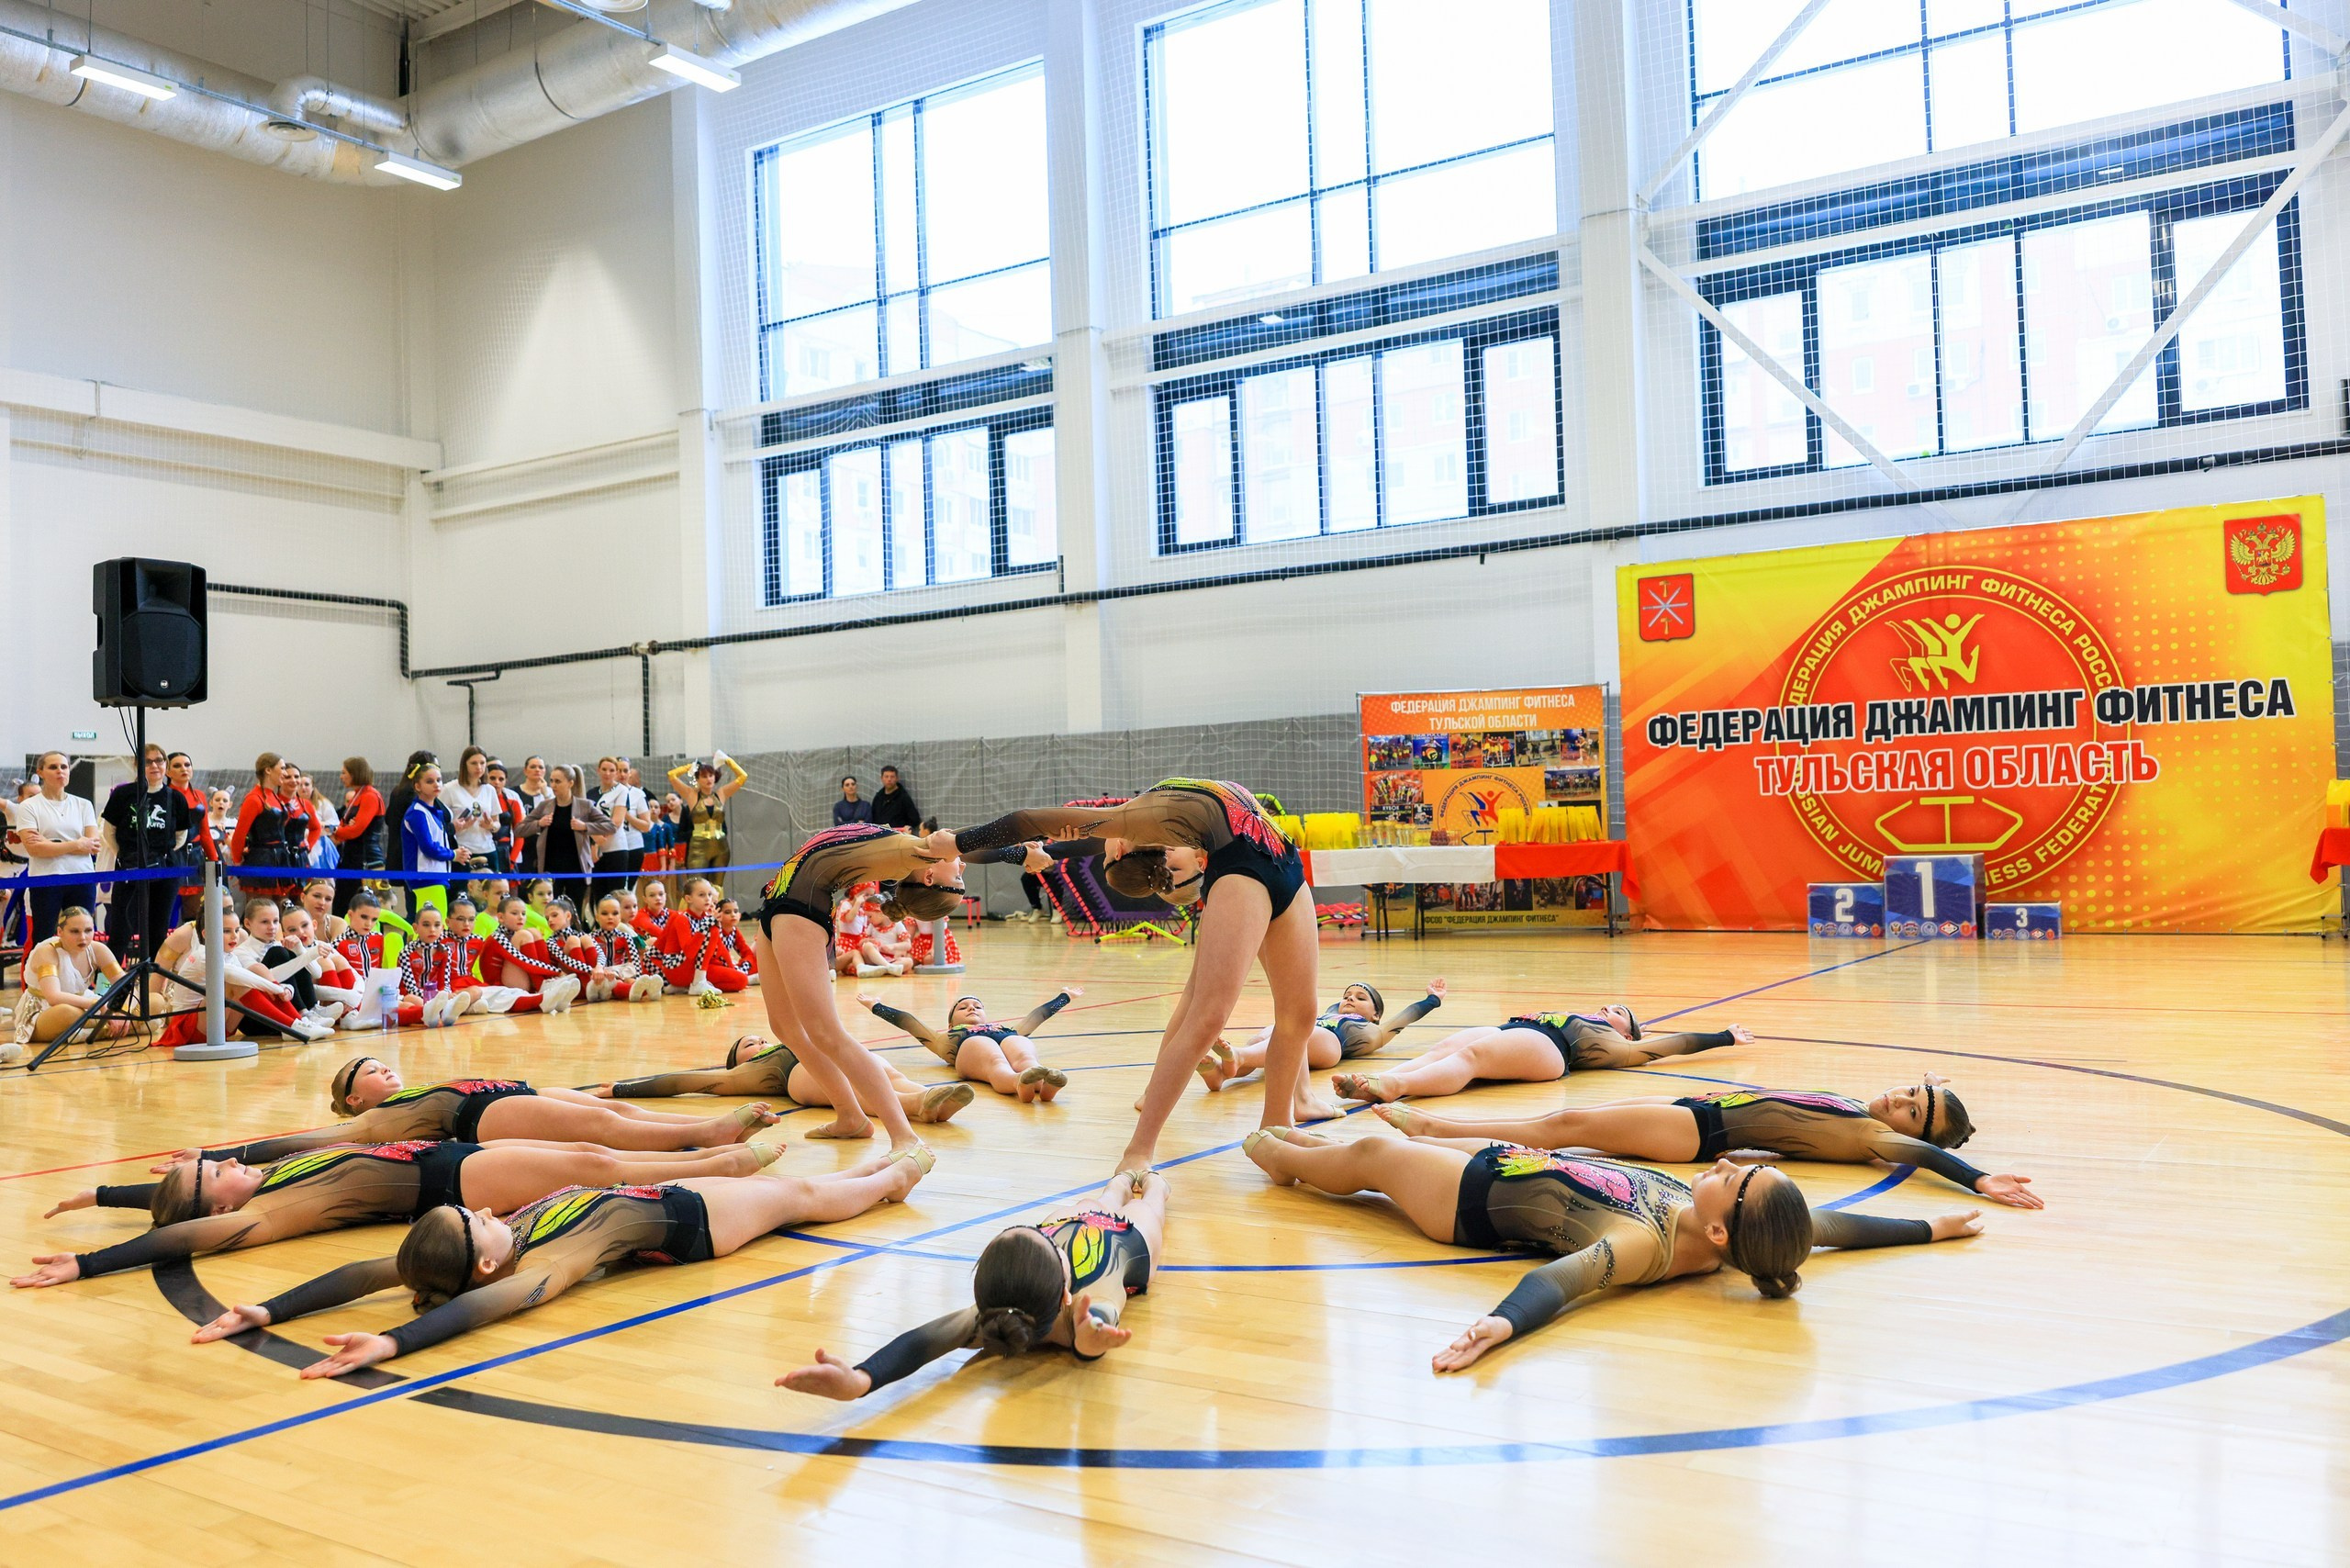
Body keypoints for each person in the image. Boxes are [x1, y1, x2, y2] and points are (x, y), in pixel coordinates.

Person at [1242, 1127, 1981, 1371]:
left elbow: (1563, 1281)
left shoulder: (1646, 1243)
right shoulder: (1767, 1236)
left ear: (1722, 1231)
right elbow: (1838, 1227)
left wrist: (1499, 1325)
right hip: (1523, 1160)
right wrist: (1932, 1228)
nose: (1727, 1165)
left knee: (1376, 1152)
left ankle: (1280, 1156)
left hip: (1471, 1196)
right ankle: (1305, 1144)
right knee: (1407, 1140)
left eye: (1737, 1179)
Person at [208, 1154, 928, 1382]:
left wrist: (271, 1310)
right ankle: (891, 1180)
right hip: (693, 1226)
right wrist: (394, 1343)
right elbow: (480, 1309)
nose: (486, 1210)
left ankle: (871, 1175)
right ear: (485, 1260)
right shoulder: (544, 1264)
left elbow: (368, 1273)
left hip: (657, 1197)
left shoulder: (490, 1249)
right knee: (795, 1196)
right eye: (475, 1221)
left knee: (799, 1190)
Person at [929, 780, 1317, 1177]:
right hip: (1245, 871)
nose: (1103, 850)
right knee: (1206, 1017)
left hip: (1284, 863)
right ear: (1122, 851)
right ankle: (1139, 1151)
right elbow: (1028, 824)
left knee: (1301, 1014)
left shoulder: (1134, 822)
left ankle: (1276, 1128)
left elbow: (1042, 831)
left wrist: (986, 847)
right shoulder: (1133, 823)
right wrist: (958, 845)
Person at [16, 1139, 776, 1291]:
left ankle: (713, 1159)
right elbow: (180, 1230)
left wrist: (103, 1196)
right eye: (218, 1175)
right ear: (215, 1206)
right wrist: (87, 1263)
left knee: (588, 1153)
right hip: (446, 1176)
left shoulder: (266, 1177)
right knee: (595, 1168)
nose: (232, 1166)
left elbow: (171, 1201)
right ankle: (716, 1165)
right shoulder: (271, 1210)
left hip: (439, 1154)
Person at [747, 823, 1024, 1151]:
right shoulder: (915, 849)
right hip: (777, 903)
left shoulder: (910, 855)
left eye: (959, 873)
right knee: (785, 1027)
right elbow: (962, 841)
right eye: (961, 870)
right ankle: (850, 1116)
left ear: (930, 876)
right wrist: (1019, 853)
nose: (962, 863)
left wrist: (1018, 853)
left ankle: (904, 1136)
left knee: (826, 1033)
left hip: (800, 909)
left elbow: (968, 843)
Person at [779, 1167, 1166, 1401]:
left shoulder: (994, 1311)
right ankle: (1153, 1183)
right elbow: (1093, 1329)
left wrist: (863, 1377)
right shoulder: (1090, 1304)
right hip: (1125, 1243)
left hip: (1068, 1224)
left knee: (1091, 1201)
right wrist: (1088, 1344)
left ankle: (1119, 1180)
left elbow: (920, 1342)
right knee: (1146, 1208)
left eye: (1035, 1231)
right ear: (1067, 1293)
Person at [1372, 1075, 2043, 1208]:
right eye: (1910, 1091)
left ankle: (1435, 1130)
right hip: (1694, 1112)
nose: (1898, 1102)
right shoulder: (1854, 1105)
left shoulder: (1873, 1136)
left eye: (1912, 1111)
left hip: (1697, 1132)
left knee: (1564, 1131)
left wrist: (1977, 1177)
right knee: (1567, 1126)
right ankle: (1440, 1134)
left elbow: (1925, 1156)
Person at [185, 1054, 779, 1164]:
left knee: (632, 1120)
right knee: (604, 1127)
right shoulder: (370, 1121)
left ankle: (704, 1131)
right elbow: (306, 1144)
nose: (380, 1068)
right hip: (484, 1117)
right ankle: (716, 1133)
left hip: (509, 1090)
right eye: (367, 1072)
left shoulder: (410, 1089)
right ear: (353, 1098)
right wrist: (224, 1154)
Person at [1332, 1007, 1754, 1104]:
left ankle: (1394, 1088)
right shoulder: (1580, 1016)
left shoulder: (1613, 1044)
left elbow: (1672, 1044)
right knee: (1446, 1047)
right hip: (1521, 1033)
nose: (1611, 1008)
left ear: (1628, 1031)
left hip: (1551, 1051)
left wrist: (1724, 1036)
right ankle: (1377, 1082)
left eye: (1620, 1012)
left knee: (1475, 1055)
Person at [590, 1033, 975, 1126]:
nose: (756, 1042)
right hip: (799, 1077)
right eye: (745, 1045)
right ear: (734, 1063)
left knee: (883, 1069)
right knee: (851, 1085)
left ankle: (928, 1096)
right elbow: (683, 1082)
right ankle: (915, 1106)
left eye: (757, 1037)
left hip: (829, 1053)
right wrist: (623, 1088)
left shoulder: (791, 1036)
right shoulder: (746, 1073)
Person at [1200, 980, 1448, 1121]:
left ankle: (1239, 1055)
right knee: (1265, 1034)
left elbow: (1407, 1016)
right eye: (1347, 995)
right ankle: (1221, 1073)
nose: (1350, 999)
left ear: (1376, 1014)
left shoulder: (1374, 1031)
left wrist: (1433, 999)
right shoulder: (1328, 1013)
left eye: (1361, 998)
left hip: (1330, 1045)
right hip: (1300, 1036)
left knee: (1297, 1034)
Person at [859, 987, 1081, 1102]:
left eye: (977, 1006)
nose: (972, 1008)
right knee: (994, 1059)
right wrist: (876, 1006)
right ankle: (1017, 1082)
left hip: (1005, 1039)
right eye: (963, 1007)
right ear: (950, 1022)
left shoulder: (1004, 1029)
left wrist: (1065, 996)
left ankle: (1044, 1085)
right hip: (969, 1047)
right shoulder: (945, 1038)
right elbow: (908, 1022)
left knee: (1023, 1052)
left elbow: (1037, 1016)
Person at [98, 744, 192, 964]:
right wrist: (125, 855)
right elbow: (108, 832)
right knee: (120, 930)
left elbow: (181, 836)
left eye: (159, 760)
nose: (154, 766)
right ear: (138, 765)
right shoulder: (123, 794)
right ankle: (106, 988)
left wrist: (158, 857)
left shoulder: (175, 798)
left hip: (165, 872)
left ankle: (153, 987)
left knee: (158, 931)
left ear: (165, 765)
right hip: (129, 870)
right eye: (147, 761)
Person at [9, 907, 133, 1058]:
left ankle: (86, 1032)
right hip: (45, 1011)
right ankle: (109, 1028)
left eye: (88, 930)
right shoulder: (47, 951)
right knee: (68, 1012)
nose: (83, 937)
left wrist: (122, 1010)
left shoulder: (98, 949)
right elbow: (54, 998)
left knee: (155, 1003)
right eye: (75, 931)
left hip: (87, 1006)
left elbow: (125, 984)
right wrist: (102, 1008)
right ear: (60, 932)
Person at [14, 752, 102, 947]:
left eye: (64, 767)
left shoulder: (83, 804)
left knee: (83, 937)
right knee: (44, 938)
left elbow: (93, 845)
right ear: (41, 772)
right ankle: (43, 978)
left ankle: (81, 978)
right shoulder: (29, 806)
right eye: (53, 767)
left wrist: (51, 843)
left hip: (82, 877)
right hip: (47, 879)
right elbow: (35, 849)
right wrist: (77, 844)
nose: (60, 771)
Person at [229, 754, 314, 904]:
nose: (285, 773)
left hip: (281, 859)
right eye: (281, 768)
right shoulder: (254, 798)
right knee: (261, 910)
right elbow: (239, 835)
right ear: (268, 770)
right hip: (261, 861)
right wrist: (238, 863)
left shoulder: (274, 797)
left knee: (283, 909)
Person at [520, 765, 613, 899]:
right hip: (550, 870)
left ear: (570, 783)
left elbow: (610, 826)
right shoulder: (545, 806)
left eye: (558, 781)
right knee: (552, 910)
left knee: (575, 910)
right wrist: (538, 824)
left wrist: (585, 826)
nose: (553, 785)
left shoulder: (585, 805)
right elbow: (520, 829)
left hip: (577, 870)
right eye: (551, 781)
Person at [397, 764, 473, 918]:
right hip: (426, 877)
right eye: (430, 781)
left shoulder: (433, 812)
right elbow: (428, 847)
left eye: (439, 780)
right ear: (417, 786)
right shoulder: (417, 813)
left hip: (435, 875)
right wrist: (453, 854)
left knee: (431, 925)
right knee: (434, 925)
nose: (436, 784)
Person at [652, 878, 750, 996]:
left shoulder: (707, 919)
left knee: (741, 980)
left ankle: (686, 986)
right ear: (688, 899)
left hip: (696, 967)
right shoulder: (682, 918)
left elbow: (721, 949)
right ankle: (697, 982)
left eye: (709, 894)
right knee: (712, 929)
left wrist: (730, 968)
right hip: (676, 968)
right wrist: (706, 927)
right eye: (702, 895)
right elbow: (689, 952)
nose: (708, 899)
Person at [670, 753, 747, 875]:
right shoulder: (691, 795)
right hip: (698, 846)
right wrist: (691, 766)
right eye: (704, 776)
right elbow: (671, 775)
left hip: (720, 846)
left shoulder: (721, 793)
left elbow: (743, 776)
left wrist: (727, 760)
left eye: (711, 775)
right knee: (697, 885)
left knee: (717, 889)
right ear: (698, 779)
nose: (709, 779)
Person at [330, 757, 386, 916]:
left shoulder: (370, 796)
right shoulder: (358, 794)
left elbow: (356, 830)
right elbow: (346, 825)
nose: (341, 777)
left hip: (366, 860)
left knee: (365, 906)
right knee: (343, 904)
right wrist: (345, 828)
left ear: (355, 773)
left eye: (344, 773)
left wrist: (337, 831)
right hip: (352, 857)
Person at [592, 756, 651, 905]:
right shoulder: (601, 793)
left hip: (632, 845)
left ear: (630, 773)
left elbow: (646, 826)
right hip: (608, 845)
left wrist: (626, 815)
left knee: (626, 890)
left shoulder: (637, 794)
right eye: (618, 770)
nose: (622, 774)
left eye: (625, 771)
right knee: (601, 889)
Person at [442, 748, 500, 873]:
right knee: (462, 891)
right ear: (465, 764)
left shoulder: (489, 790)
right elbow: (438, 823)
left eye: (482, 763)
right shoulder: (449, 789)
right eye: (474, 763)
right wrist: (455, 827)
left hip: (487, 849)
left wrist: (491, 826)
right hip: (461, 851)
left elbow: (497, 822)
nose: (479, 767)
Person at [869, 765, 921, 831]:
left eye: (892, 777)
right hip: (880, 836)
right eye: (886, 776)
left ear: (897, 778)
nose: (889, 779)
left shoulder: (904, 797)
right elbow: (873, 819)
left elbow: (915, 819)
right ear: (881, 778)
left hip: (898, 836)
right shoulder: (878, 798)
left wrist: (905, 830)